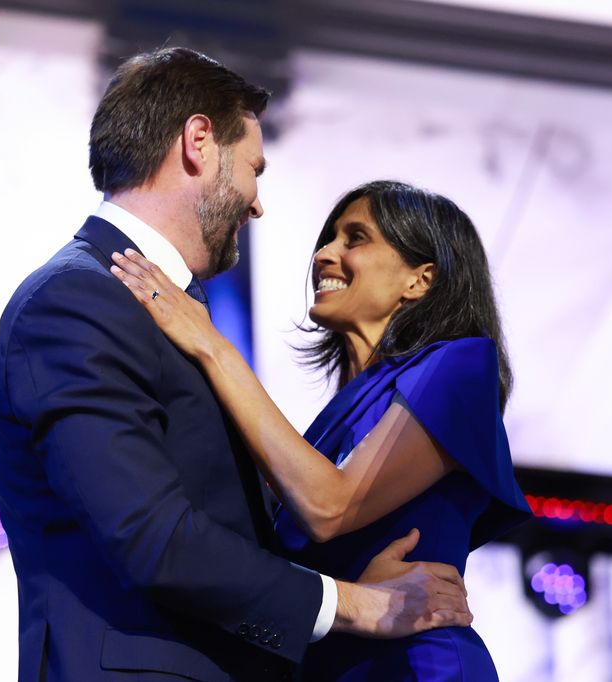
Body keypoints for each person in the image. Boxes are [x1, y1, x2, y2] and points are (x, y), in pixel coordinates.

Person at [0, 47, 473, 682]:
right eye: (254, 169)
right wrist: (355, 604)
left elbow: (223, 542)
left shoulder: (153, 308)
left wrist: (341, 587)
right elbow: (153, 539)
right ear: (198, 143)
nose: (257, 202)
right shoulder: (77, 300)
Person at [108, 180, 532, 680]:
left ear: (420, 279)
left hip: (417, 667)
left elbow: (331, 506)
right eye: (329, 239)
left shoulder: (460, 366)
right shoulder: (328, 428)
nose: (325, 254)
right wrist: (356, 592)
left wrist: (211, 345)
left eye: (355, 239)